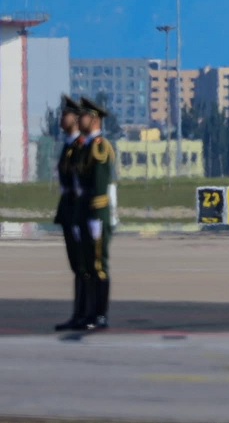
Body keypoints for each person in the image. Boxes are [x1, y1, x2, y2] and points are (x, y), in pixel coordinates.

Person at [74, 96, 116, 330]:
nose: (80, 119)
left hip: (97, 215)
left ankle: (100, 314)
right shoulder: (85, 146)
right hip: (87, 214)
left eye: (84, 116)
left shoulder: (100, 146)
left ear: (94, 119)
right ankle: (90, 313)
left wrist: (96, 218)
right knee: (89, 267)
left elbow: (100, 184)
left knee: (99, 266)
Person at [53, 95, 85, 331]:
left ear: (75, 118)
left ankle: (85, 314)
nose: (62, 118)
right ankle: (79, 313)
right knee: (76, 267)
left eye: (66, 114)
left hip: (78, 212)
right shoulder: (67, 145)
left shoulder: (81, 146)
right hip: (68, 211)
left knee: (83, 267)